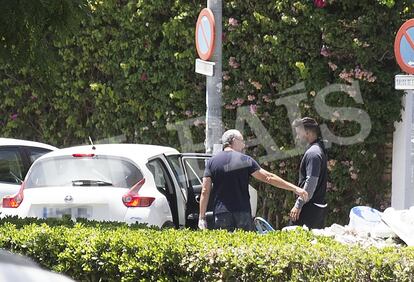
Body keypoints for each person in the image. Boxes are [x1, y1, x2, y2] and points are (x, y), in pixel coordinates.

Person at [198, 129, 308, 231]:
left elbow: (204, 191)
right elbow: (268, 177)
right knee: (244, 248)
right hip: (242, 211)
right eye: (241, 141)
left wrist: (202, 217)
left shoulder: (212, 162)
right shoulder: (244, 159)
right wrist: (295, 188)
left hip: (221, 213)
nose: (244, 145)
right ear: (233, 140)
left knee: (225, 249)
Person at [289, 117, 328, 229]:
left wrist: (298, 205)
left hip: (309, 209)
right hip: (316, 207)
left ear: (307, 133)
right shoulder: (319, 148)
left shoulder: (313, 153)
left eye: (299, 133)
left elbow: (311, 182)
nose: (297, 137)